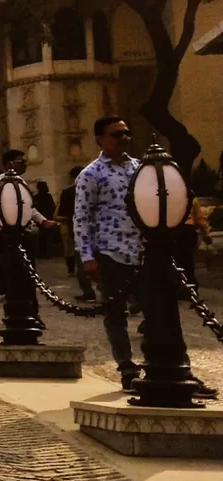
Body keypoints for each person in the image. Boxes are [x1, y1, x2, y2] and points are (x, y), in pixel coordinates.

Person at [73, 117, 144, 390]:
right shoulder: (91, 174)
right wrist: (87, 257)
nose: (124, 138)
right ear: (100, 140)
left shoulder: (139, 168)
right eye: (117, 134)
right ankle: (127, 368)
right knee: (116, 315)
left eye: (127, 132)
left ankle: (163, 364)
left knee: (156, 310)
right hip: (110, 253)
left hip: (142, 252)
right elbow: (81, 218)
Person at [0, 151, 51, 298]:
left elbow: (28, 207)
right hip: (13, 233)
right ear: (9, 163)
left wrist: (42, 220)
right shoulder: (0, 183)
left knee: (20, 267)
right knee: (14, 267)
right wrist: (0, 221)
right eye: (21, 161)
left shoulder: (19, 181)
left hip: (16, 231)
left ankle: (22, 296)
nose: (25, 164)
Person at [57, 167, 96, 300]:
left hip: (78, 228)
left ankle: (88, 291)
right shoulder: (96, 185)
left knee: (81, 261)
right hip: (99, 229)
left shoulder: (68, 192)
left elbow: (62, 211)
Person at [176, 196, 213, 286]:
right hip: (188, 230)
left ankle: (178, 284)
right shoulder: (191, 197)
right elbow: (200, 219)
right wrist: (206, 233)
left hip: (175, 229)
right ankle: (190, 283)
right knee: (188, 259)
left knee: (176, 259)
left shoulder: (170, 195)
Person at [33, 180, 57, 259]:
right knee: (47, 236)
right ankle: (47, 252)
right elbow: (52, 206)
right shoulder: (48, 196)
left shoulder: (37, 196)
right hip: (48, 216)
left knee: (42, 236)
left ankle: (42, 252)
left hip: (40, 217)